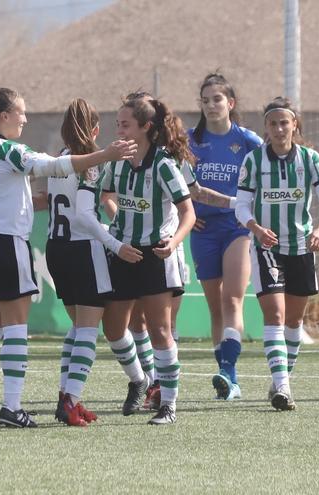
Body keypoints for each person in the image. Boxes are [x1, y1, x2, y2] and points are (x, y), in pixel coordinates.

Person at [0, 87, 135, 428]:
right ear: (3, 117)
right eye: (21, 113)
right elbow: (56, 166)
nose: (25, 119)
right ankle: (12, 408)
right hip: (6, 244)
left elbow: (6, 187)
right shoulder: (11, 150)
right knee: (16, 329)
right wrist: (105, 155)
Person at [235, 97, 319, 411]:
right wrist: (255, 227)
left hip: (302, 249)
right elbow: (240, 206)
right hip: (267, 247)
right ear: (265, 128)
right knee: (276, 315)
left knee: (294, 321)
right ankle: (283, 387)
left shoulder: (310, 159)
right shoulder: (253, 161)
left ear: (294, 125)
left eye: (284, 122)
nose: (279, 128)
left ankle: (281, 378)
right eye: (273, 123)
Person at [99, 94, 196, 425]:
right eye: (117, 124)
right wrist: (118, 225)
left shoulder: (165, 165)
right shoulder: (116, 161)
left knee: (159, 330)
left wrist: (173, 242)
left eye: (125, 124)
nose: (120, 130)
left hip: (156, 254)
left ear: (145, 127)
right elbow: (106, 195)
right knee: (113, 328)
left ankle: (168, 403)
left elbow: (188, 212)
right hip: (124, 253)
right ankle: (141, 380)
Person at [47, 98, 142, 427]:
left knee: (76, 330)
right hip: (82, 250)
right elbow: (85, 217)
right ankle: (70, 402)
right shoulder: (92, 164)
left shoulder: (60, 158)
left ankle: (66, 397)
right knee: (88, 331)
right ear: (97, 130)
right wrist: (115, 244)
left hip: (56, 249)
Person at [188, 73, 263, 400]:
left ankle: (229, 374)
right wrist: (186, 217)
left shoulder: (248, 141)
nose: (211, 105)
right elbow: (172, 183)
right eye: (205, 100)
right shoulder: (188, 140)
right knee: (215, 308)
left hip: (236, 228)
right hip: (202, 231)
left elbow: (266, 179)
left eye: (217, 99)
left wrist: (253, 216)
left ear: (230, 103)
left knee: (232, 298)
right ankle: (227, 381)